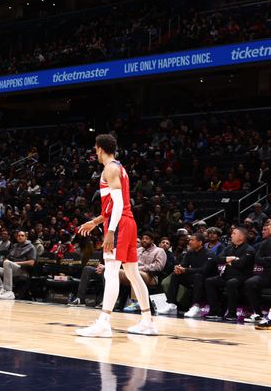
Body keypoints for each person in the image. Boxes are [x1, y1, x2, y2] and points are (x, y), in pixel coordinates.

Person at [76, 134, 158, 337]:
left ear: (100, 149)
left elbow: (119, 203)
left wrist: (110, 231)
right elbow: (113, 206)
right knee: (132, 273)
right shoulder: (119, 168)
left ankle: (104, 323)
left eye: (95, 149)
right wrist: (95, 222)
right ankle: (147, 321)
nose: (95, 152)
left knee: (110, 271)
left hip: (120, 224)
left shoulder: (110, 169)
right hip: (127, 222)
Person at [204, 227, 255, 321]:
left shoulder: (249, 249)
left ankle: (232, 313)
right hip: (227, 275)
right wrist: (229, 259)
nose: (231, 235)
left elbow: (241, 264)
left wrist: (230, 261)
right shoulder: (229, 247)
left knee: (231, 283)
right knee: (209, 281)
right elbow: (218, 259)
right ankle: (214, 311)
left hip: (241, 277)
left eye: (234, 233)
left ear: (241, 237)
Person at [157, 232, 212, 317]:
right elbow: (183, 265)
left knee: (198, 276)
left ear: (200, 243)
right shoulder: (190, 253)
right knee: (175, 275)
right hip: (193, 276)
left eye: (192, 240)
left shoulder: (208, 253)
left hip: (206, 278)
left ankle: (195, 306)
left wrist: (185, 270)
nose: (189, 242)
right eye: (189, 240)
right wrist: (178, 269)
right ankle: (172, 305)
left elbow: (205, 270)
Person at [243, 220, 271, 323]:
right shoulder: (264, 243)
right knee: (250, 283)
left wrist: (266, 259)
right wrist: (268, 260)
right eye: (263, 229)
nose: (263, 232)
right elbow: (257, 259)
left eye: (266, 229)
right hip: (267, 273)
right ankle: (258, 313)